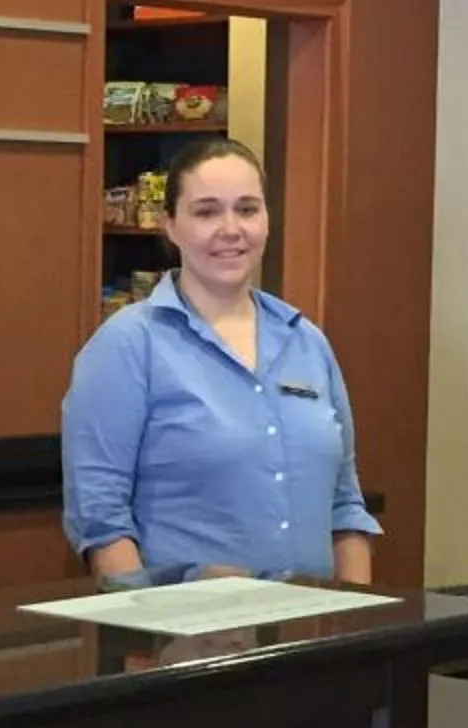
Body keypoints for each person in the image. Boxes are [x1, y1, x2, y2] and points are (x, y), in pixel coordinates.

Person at [60, 137, 379, 584]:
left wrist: (356, 628)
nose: (231, 229)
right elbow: (102, 521)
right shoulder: (127, 345)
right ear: (169, 225)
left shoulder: (306, 341)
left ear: (267, 220)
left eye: (247, 209)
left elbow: (345, 506)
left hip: (315, 634)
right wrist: (145, 632)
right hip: (187, 641)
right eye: (207, 212)